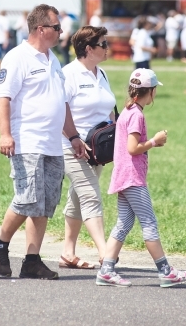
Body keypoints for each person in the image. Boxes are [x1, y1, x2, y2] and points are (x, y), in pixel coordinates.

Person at [0, 4, 87, 280]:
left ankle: (31, 260)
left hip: (53, 143)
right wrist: (5, 134)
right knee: (27, 198)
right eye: (56, 27)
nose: (60, 31)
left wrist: (74, 136)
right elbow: (3, 98)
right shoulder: (17, 57)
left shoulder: (53, 59)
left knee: (44, 203)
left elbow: (61, 103)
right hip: (27, 140)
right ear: (41, 29)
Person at [97, 68, 186, 288]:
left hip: (124, 176)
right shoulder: (136, 115)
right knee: (149, 223)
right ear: (149, 92)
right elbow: (133, 148)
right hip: (132, 178)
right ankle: (166, 271)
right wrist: (154, 141)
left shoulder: (128, 110)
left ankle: (106, 270)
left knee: (124, 223)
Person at [59, 26, 115, 269]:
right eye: (103, 44)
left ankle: (67, 253)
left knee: (78, 197)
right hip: (72, 147)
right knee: (90, 195)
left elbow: (110, 108)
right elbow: (60, 109)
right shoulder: (68, 74)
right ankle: (106, 254)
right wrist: (74, 138)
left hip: (98, 148)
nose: (107, 48)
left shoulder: (100, 73)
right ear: (88, 49)